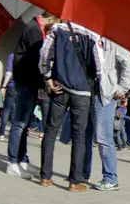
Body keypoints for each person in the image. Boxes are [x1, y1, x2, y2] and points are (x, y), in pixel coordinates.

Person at [38, 20, 102, 191]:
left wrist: (48, 77)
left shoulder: (58, 29)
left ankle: (45, 177)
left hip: (60, 87)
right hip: (82, 92)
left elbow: (45, 55)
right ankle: (74, 181)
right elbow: (99, 65)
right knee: (79, 136)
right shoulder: (93, 33)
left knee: (51, 130)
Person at [82, 36, 130, 191]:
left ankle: (110, 178)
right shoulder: (88, 36)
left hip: (104, 95)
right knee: (85, 136)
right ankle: (83, 173)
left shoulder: (111, 39)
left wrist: (121, 88)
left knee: (103, 138)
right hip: (88, 92)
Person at [6, 12, 52, 179]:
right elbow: (36, 60)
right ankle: (13, 161)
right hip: (26, 81)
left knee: (24, 124)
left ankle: (22, 158)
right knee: (19, 123)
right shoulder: (34, 31)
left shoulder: (35, 28)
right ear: (49, 19)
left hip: (27, 81)